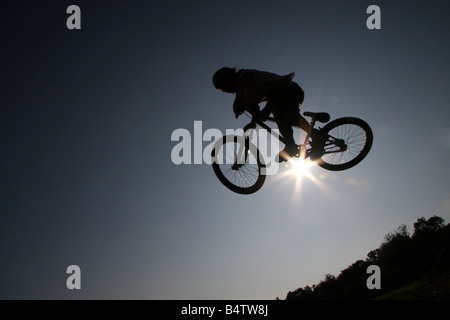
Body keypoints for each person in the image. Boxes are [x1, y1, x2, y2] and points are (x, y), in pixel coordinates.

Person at [212, 67, 323, 162]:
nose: (224, 89)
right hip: (279, 95)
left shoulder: (244, 76)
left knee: (283, 111)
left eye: (223, 84)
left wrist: (239, 101)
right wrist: (253, 116)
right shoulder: (245, 92)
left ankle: (315, 134)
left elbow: (270, 89)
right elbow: (253, 106)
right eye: (221, 89)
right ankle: (291, 146)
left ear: (230, 77)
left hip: (289, 89)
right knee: (280, 118)